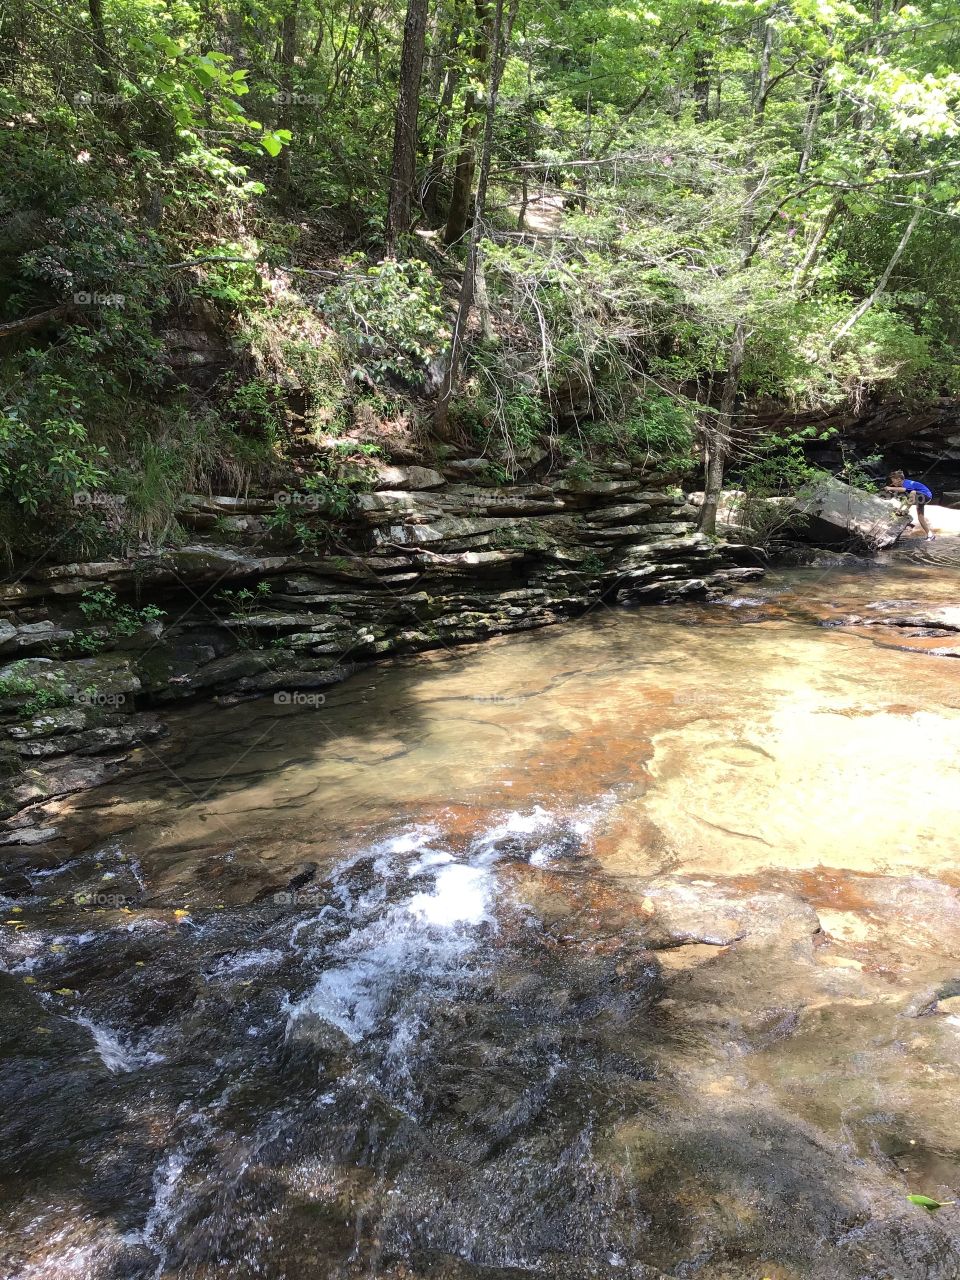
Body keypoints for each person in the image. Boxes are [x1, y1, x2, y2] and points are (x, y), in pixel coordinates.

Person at [884, 470, 935, 540]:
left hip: (925, 496)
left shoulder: (907, 483)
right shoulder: (903, 486)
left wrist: (891, 488)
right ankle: (930, 535)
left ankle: (905, 510)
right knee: (920, 518)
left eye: (893, 481)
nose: (892, 483)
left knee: (912, 492)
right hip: (919, 498)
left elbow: (904, 490)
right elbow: (907, 499)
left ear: (899, 479)